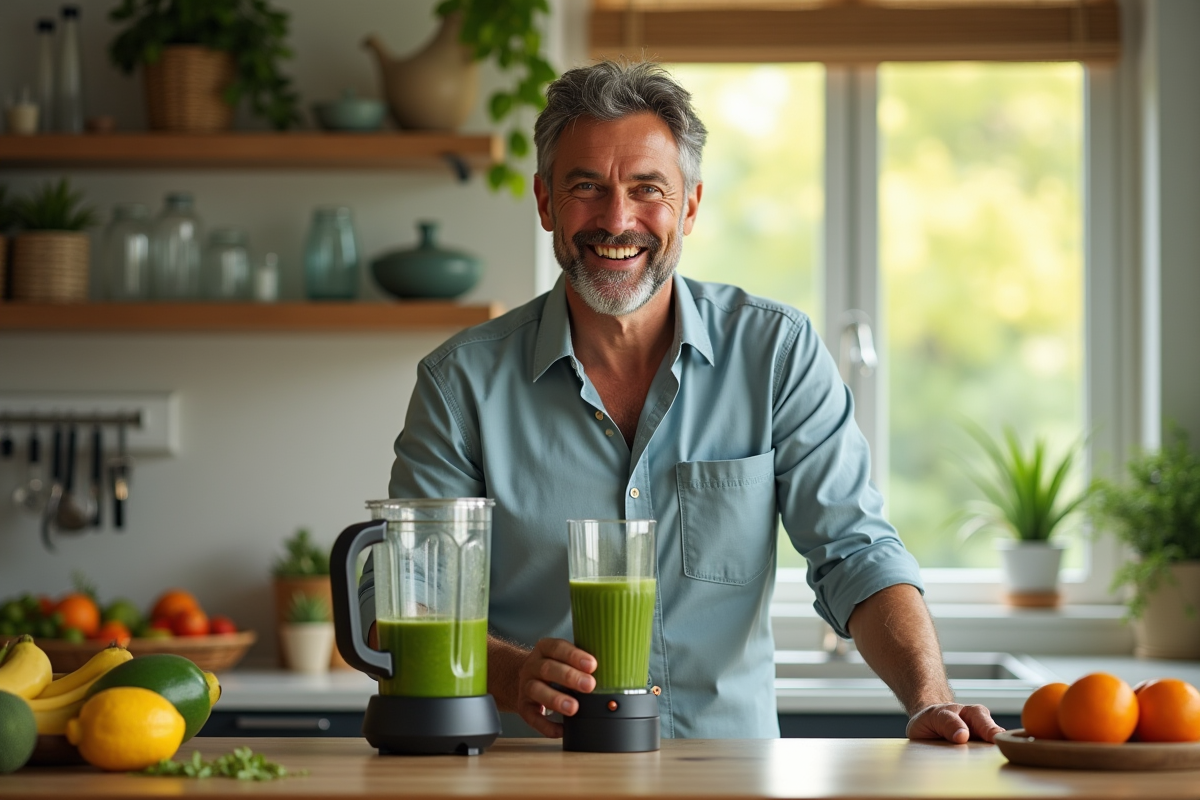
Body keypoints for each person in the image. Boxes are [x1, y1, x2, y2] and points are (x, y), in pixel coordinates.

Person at [364, 60, 1003, 744]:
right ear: (546, 202)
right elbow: (394, 601)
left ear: (690, 206)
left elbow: (855, 554)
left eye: (648, 189)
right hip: (533, 777)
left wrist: (929, 699)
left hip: (730, 776)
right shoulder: (460, 382)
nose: (617, 219)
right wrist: (510, 673)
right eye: (586, 187)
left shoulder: (776, 354)